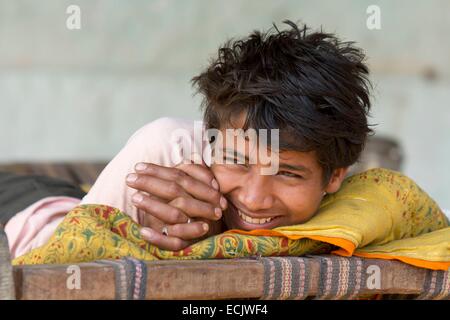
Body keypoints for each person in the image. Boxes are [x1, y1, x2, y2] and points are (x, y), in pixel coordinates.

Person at [7, 20, 442, 260]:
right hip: (24, 214)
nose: (254, 198)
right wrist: (144, 237)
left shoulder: (369, 202)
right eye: (236, 161)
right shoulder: (164, 152)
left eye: (288, 173)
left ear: (335, 178)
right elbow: (50, 266)